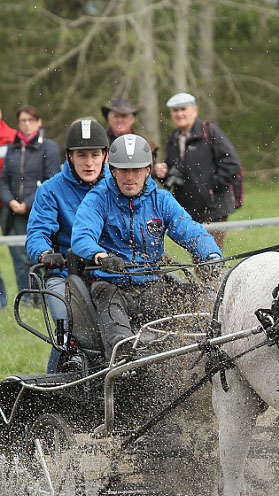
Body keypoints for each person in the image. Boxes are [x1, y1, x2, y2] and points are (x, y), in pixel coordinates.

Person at [71, 133, 222, 361]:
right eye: (123, 170)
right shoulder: (97, 199)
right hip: (112, 287)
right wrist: (101, 256)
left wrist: (210, 255)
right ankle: (125, 362)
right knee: (122, 342)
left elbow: (190, 231)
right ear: (112, 170)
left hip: (154, 286)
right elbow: (82, 237)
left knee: (207, 305)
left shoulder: (161, 200)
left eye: (136, 169)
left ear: (147, 170)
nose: (129, 177)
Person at [26, 118, 109, 372]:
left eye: (95, 154)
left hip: (110, 274)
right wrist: (44, 253)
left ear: (105, 156)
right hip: (65, 276)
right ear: (69, 157)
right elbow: (37, 233)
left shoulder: (116, 187)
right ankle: (53, 388)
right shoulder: (51, 190)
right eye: (81, 155)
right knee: (68, 328)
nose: (89, 162)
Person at [155, 92, 241, 250]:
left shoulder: (209, 131)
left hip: (214, 209)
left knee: (210, 254)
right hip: (189, 209)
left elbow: (232, 163)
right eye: (175, 110)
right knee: (198, 254)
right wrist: (163, 172)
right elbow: (177, 171)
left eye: (183, 109)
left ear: (194, 110)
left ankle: (217, 276)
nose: (179, 114)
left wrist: (212, 188)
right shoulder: (174, 137)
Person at [0, 105, 60, 304]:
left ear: (38, 122)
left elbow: (51, 179)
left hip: (40, 209)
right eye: (23, 121)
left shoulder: (49, 147)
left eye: (30, 120)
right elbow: (4, 179)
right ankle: (25, 299)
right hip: (13, 212)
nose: (26, 124)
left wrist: (28, 202)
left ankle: (42, 298)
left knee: (40, 254)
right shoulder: (12, 147)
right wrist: (11, 202)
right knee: (19, 258)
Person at [101, 96, 159, 171]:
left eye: (124, 116)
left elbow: (151, 171)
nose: (119, 120)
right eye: (115, 116)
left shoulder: (146, 144)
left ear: (132, 119)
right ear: (108, 118)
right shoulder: (99, 143)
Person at [0, 107, 17, 310]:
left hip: (9, 203)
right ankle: (1, 300)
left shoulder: (12, 137)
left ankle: (30, 298)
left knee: (18, 253)